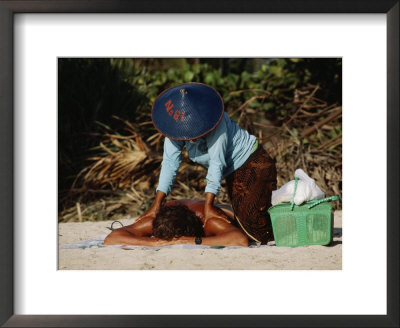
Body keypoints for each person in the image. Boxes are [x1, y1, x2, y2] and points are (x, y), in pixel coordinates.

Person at [141, 82, 277, 244]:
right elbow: (170, 163)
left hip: (252, 163)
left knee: (257, 234)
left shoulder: (216, 125)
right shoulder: (174, 126)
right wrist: (157, 204)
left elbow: (216, 163)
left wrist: (208, 206)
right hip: (232, 171)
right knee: (242, 220)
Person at [104, 199, 248, 247]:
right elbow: (112, 238)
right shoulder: (154, 221)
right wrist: (153, 242)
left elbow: (240, 240)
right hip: (178, 210)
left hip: (220, 209)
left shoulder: (209, 222)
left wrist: (194, 240)